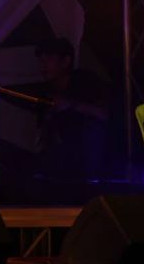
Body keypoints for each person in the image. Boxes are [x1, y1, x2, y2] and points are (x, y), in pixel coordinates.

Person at [30, 37, 110, 179]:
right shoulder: (44, 92)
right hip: (60, 163)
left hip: (91, 160)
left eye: (48, 59)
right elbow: (42, 133)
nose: (43, 65)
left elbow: (105, 114)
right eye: (41, 61)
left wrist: (71, 105)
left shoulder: (85, 81)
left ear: (65, 61)